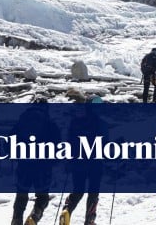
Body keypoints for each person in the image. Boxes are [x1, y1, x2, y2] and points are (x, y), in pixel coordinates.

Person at [11, 98, 59, 225]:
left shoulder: (22, 120)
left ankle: (16, 220)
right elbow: (57, 145)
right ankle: (34, 217)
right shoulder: (50, 123)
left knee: (21, 194)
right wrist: (53, 161)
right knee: (42, 196)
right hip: (43, 166)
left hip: (24, 164)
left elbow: (11, 139)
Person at [60, 96, 105, 225]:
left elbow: (69, 142)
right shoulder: (101, 123)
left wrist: (69, 160)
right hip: (95, 163)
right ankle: (89, 220)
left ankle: (67, 210)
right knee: (93, 193)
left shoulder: (75, 122)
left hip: (78, 162)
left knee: (78, 190)